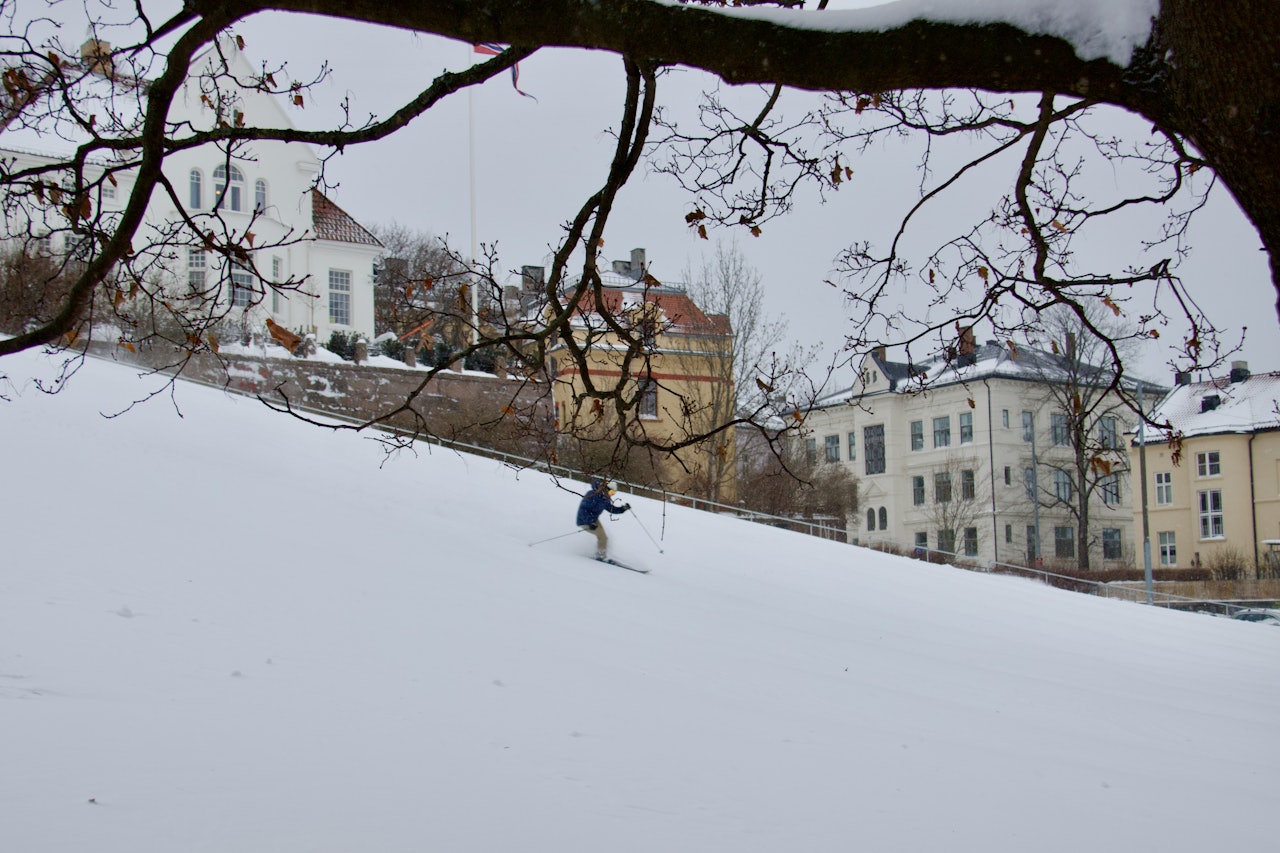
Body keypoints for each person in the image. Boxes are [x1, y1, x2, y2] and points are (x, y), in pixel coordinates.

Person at [576, 479, 631, 560]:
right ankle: (600, 556)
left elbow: (611, 508)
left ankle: (601, 552)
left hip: (593, 520)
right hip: (584, 521)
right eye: (611, 492)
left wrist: (622, 509)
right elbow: (584, 510)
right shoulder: (592, 494)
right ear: (606, 489)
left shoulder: (605, 498)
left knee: (604, 537)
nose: (612, 495)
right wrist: (589, 522)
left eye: (614, 493)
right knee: (603, 537)